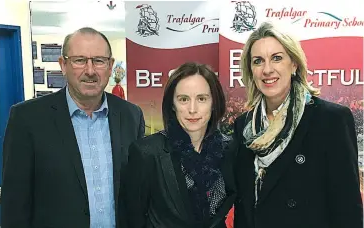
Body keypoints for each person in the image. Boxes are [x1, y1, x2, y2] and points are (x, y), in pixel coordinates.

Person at [1, 27, 145, 228]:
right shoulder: (27, 119)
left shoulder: (131, 116)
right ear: (63, 65)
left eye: (99, 60)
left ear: (110, 66)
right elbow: (14, 204)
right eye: (79, 60)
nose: (90, 70)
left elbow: (139, 193)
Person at [232, 21, 363, 228]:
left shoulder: (331, 119)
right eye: (258, 61)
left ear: (294, 64)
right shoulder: (244, 126)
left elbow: (348, 208)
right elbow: (245, 207)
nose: (267, 69)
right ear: (250, 70)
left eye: (277, 58)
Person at [122, 62, 236, 228]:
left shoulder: (230, 150)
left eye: (202, 99)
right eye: (183, 99)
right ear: (172, 105)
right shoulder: (147, 153)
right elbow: (133, 219)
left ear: (214, 103)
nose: (192, 109)